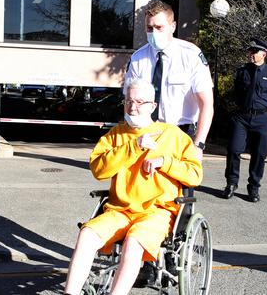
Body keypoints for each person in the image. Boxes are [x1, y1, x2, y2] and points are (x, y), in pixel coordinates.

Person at [63, 79, 202, 295]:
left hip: (156, 212)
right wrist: (134, 146)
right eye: (128, 101)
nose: (133, 107)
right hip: (119, 210)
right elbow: (98, 170)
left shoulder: (173, 135)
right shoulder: (115, 135)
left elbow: (195, 175)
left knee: (133, 243)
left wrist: (165, 162)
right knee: (87, 234)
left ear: (153, 106)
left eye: (139, 101)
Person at [125, 0, 214, 160]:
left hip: (181, 133)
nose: (153, 33)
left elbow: (206, 103)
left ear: (172, 27)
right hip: (146, 133)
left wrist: (198, 144)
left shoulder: (191, 55)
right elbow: (128, 100)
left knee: (183, 183)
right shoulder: (138, 58)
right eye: (149, 28)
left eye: (159, 27)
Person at [223, 38, 267, 202]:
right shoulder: (242, 71)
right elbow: (236, 92)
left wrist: (265, 110)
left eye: (254, 51)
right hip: (241, 117)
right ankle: (231, 184)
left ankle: (254, 187)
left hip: (261, 118)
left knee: (259, 154)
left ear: (264, 54)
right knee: (234, 150)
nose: (251, 54)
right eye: (250, 51)